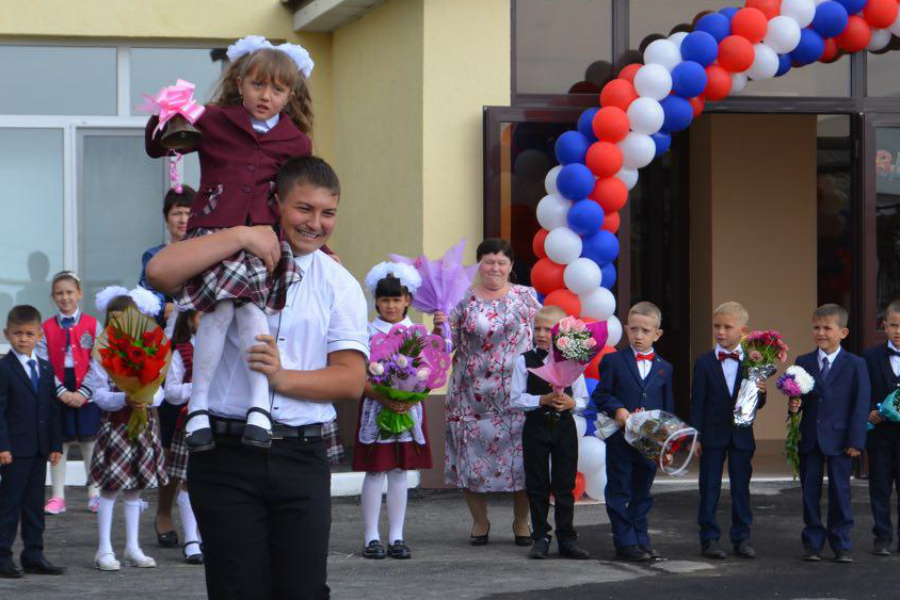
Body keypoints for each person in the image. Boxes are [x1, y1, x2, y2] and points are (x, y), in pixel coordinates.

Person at [146, 156, 367, 600]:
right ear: (276, 202)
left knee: (302, 592)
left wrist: (282, 378)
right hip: (225, 455)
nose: (316, 223)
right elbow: (159, 272)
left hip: (301, 456)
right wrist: (242, 234)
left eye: (328, 213)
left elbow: (350, 380)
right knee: (235, 590)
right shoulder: (229, 260)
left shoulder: (339, 282)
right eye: (304, 208)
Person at [144, 35, 316, 451]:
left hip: (262, 240)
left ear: (290, 94)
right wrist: (168, 110)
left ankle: (259, 407)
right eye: (258, 85)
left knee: (251, 313)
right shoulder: (213, 119)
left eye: (277, 89)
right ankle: (199, 408)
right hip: (215, 235)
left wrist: (318, 247)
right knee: (218, 313)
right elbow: (157, 146)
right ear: (239, 83)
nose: (266, 95)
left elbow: (297, 198)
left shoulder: (297, 141)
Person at [442, 238, 539, 546]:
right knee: (470, 459)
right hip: (470, 394)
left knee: (523, 460)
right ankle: (480, 522)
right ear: (478, 264)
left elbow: (543, 336)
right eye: (488, 261)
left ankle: (521, 522)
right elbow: (447, 347)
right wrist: (439, 327)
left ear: (511, 266)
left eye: (501, 262)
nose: (494, 267)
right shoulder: (461, 299)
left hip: (517, 394)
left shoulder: (527, 297)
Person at [354, 262, 436, 560]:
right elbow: (356, 372)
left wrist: (411, 397)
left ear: (407, 300)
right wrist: (384, 396)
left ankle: (397, 536)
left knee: (400, 471)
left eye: (396, 299)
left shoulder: (416, 331)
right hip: (376, 407)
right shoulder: (364, 331)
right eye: (385, 299)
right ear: (375, 300)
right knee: (375, 471)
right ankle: (371, 537)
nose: (390, 305)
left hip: (408, 408)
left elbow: (428, 369)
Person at [86, 289, 169, 571]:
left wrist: (145, 396)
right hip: (116, 426)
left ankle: (133, 547)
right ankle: (104, 549)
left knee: (135, 490)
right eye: (114, 319)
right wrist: (125, 397)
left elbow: (160, 392)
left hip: (143, 425)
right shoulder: (102, 354)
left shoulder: (147, 349)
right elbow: (98, 395)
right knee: (110, 488)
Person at [593, 301, 674, 562]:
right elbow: (601, 394)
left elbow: (666, 408)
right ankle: (624, 541)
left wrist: (667, 445)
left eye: (646, 331)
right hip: (620, 439)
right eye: (634, 329)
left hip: (649, 440)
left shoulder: (665, 367)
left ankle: (641, 538)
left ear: (657, 334)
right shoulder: (613, 361)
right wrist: (617, 409)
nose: (639, 336)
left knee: (642, 492)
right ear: (626, 329)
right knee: (619, 491)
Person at [789, 304, 870, 563]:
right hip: (810, 436)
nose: (820, 333)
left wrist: (856, 441)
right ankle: (812, 542)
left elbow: (860, 404)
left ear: (843, 332)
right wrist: (793, 406)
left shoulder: (856, 364)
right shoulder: (803, 361)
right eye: (816, 327)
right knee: (810, 491)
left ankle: (841, 542)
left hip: (841, 438)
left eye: (827, 328)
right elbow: (798, 399)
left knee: (840, 491)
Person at [138, 186, 195, 548]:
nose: (182, 219)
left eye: (188, 212)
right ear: (166, 218)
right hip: (167, 355)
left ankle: (198, 525)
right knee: (171, 445)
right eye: (176, 213)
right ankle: (163, 511)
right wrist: (165, 308)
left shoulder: (206, 251)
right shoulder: (155, 255)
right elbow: (145, 298)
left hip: (200, 349)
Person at [510, 304, 590, 560]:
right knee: (537, 483)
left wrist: (572, 403)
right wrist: (541, 400)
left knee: (565, 483)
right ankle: (541, 536)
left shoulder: (572, 360)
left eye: (548, 329)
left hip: (564, 428)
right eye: (537, 328)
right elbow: (515, 398)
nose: (542, 334)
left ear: (562, 333)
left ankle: (567, 537)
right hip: (536, 427)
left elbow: (583, 398)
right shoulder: (524, 361)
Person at [690, 302, 766, 560]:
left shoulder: (755, 361)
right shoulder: (703, 362)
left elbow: (758, 404)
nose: (720, 332)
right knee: (709, 487)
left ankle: (742, 538)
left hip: (742, 435)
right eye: (717, 326)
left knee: (741, 488)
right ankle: (709, 539)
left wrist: (761, 392)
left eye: (727, 327)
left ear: (742, 330)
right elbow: (697, 401)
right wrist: (696, 435)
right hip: (712, 435)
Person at [0, 305, 65, 578]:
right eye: (17, 333)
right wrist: (2, 445)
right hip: (14, 449)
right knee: (9, 504)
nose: (23, 339)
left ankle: (33, 553)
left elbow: (51, 408)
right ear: (7, 334)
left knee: (34, 504)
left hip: (39, 448)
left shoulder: (46, 368)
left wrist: (55, 444)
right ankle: (3, 556)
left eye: (29, 333)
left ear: (39, 335)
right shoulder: (4, 368)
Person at [37, 271, 102, 516]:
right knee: (60, 441)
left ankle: (94, 493)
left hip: (87, 388)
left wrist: (85, 391)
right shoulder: (45, 327)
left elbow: (99, 361)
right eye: (59, 293)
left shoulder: (93, 324)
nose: (65, 298)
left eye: (69, 292)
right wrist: (61, 391)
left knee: (89, 441)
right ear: (53, 297)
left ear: (79, 294)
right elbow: (44, 364)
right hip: (58, 388)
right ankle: (57, 496)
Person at [162, 309, 204, 565]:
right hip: (192, 422)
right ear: (189, 320)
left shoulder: (227, 346)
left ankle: (205, 534)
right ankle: (190, 539)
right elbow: (171, 393)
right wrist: (198, 386)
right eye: (201, 315)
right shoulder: (183, 351)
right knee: (189, 479)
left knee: (214, 482)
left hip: (221, 422)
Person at [864, 299, 900, 556]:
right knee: (879, 486)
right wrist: (869, 410)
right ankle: (882, 537)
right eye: (894, 325)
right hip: (880, 434)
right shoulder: (870, 356)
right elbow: (861, 389)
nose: (898, 331)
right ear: (884, 326)